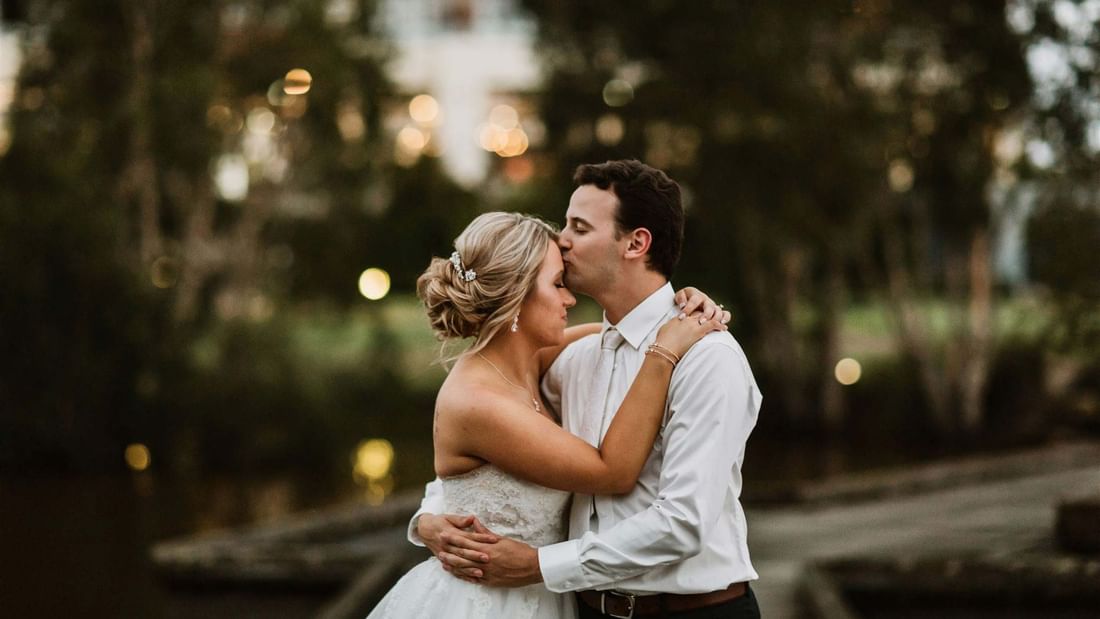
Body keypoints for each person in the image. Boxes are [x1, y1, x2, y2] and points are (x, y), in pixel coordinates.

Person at [412, 160, 763, 618]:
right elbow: (486, 453)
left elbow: (683, 523)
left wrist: (539, 565)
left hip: (692, 611)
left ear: (636, 243)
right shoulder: (572, 360)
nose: (561, 240)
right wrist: (430, 519)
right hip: (586, 611)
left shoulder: (704, 358)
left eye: (578, 227)